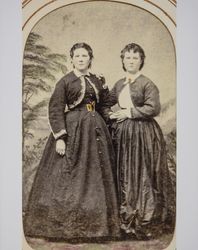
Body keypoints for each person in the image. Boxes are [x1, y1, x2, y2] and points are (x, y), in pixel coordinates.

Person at [24, 43, 120, 242]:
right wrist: (60, 137)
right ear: (72, 59)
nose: (81, 59)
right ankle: (67, 229)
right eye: (77, 56)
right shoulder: (65, 81)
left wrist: (111, 114)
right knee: (71, 176)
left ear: (90, 58)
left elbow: (102, 106)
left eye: (85, 55)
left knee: (96, 177)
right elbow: (56, 109)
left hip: (96, 133)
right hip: (74, 131)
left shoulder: (97, 80)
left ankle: (98, 229)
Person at [105, 43, 173, 239]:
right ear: (123, 61)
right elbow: (106, 104)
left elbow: (153, 108)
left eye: (135, 58)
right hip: (123, 135)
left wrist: (128, 112)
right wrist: (110, 115)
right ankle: (125, 221)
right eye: (127, 58)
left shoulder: (147, 83)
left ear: (141, 60)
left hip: (143, 134)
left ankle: (145, 222)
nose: (131, 61)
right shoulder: (119, 83)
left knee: (142, 174)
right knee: (125, 173)